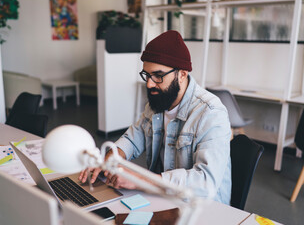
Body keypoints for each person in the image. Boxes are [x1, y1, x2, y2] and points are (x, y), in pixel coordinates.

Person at [79, 30, 232, 205]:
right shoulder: (158, 103)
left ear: (182, 74)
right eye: (147, 75)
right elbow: (132, 138)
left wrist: (142, 180)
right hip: (163, 199)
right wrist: (108, 162)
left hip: (202, 209)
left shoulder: (211, 112)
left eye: (158, 76)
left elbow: (206, 182)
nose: (150, 83)